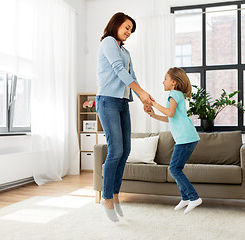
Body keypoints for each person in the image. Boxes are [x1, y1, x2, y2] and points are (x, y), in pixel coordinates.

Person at [96, 12, 154, 222]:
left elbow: (133, 76)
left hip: (122, 102)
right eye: (127, 27)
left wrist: (144, 99)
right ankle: (106, 197)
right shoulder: (108, 42)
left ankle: (115, 194)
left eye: (131, 29)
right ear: (116, 24)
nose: (129, 32)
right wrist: (141, 92)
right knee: (116, 150)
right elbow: (118, 70)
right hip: (107, 100)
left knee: (126, 149)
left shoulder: (125, 51)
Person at [147, 67, 202, 214]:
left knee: (173, 168)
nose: (162, 81)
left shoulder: (173, 94)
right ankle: (185, 198)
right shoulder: (178, 94)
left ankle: (194, 197)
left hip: (185, 138)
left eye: (165, 78)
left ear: (174, 82)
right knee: (176, 169)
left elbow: (169, 112)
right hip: (188, 137)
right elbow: (171, 117)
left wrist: (153, 104)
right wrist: (154, 115)